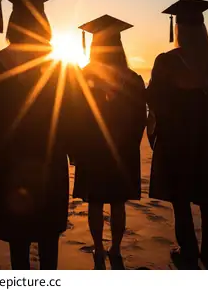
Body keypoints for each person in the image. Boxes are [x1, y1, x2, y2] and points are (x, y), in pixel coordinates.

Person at [0, 0, 70, 270]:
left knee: (18, 240)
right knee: (47, 238)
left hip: (10, 164)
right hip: (49, 162)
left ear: (12, 23)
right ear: (44, 23)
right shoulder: (59, 67)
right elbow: (71, 116)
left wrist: (4, 145)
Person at [147, 0, 208, 269]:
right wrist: (207, 126)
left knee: (181, 199)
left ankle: (187, 250)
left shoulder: (166, 62)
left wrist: (166, 126)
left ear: (178, 29)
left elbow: (154, 99)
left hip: (177, 142)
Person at [70, 15, 146, 269]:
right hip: (121, 150)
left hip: (92, 148)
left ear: (94, 47)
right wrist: (131, 144)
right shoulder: (133, 79)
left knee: (95, 201)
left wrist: (76, 148)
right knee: (117, 202)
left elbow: (74, 114)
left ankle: (99, 247)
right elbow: (140, 119)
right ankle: (115, 247)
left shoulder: (82, 76)